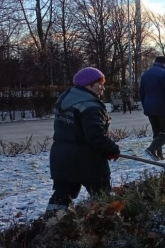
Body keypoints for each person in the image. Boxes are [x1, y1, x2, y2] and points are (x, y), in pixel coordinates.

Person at [47, 67, 120, 213]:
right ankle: (104, 226)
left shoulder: (66, 99)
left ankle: (51, 225)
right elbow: (96, 137)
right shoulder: (90, 106)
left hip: (61, 157)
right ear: (88, 85)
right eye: (99, 84)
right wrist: (113, 150)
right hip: (88, 160)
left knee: (61, 196)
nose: (102, 88)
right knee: (102, 195)